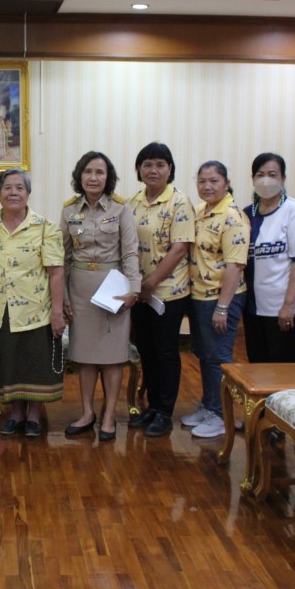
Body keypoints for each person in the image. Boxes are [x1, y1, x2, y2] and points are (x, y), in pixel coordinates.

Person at [60, 151, 140, 441]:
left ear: (108, 178)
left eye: (100, 172)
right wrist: (63, 296)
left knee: (112, 358)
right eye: (88, 172)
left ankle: (109, 416)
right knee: (85, 357)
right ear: (79, 176)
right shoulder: (69, 210)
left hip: (113, 290)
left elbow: (130, 252)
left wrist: (133, 289)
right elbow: (63, 256)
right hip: (80, 291)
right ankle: (87, 413)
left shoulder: (121, 208)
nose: (93, 178)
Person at [0, 168, 65, 437]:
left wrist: (57, 312)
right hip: (4, 309)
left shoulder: (45, 227)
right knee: (10, 362)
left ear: (28, 194)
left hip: (36, 308)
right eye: (7, 188)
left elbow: (56, 272)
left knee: (35, 363)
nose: (13, 192)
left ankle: (34, 415)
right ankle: (16, 413)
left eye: (19, 188)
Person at [127, 143, 194, 438]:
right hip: (138, 291)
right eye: (147, 164)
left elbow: (179, 249)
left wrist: (151, 282)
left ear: (170, 169)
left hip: (167, 292)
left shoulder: (179, 202)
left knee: (166, 351)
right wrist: (136, 285)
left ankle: (165, 411)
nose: (153, 170)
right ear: (139, 169)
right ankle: (152, 406)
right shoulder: (134, 202)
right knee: (146, 349)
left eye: (160, 164)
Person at [182, 161, 250, 439]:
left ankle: (223, 416)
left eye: (214, 181)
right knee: (205, 354)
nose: (207, 186)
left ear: (227, 183)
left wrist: (222, 307)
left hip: (221, 298)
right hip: (198, 295)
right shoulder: (200, 212)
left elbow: (235, 266)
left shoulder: (233, 217)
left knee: (219, 358)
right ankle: (209, 406)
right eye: (202, 181)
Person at [242, 153, 295, 363]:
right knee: (257, 366)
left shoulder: (294, 211)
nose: (266, 180)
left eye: (272, 174)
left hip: (283, 307)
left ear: (283, 178)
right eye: (260, 174)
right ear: (253, 179)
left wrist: (288, 305)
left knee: (282, 369)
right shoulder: (247, 214)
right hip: (254, 307)